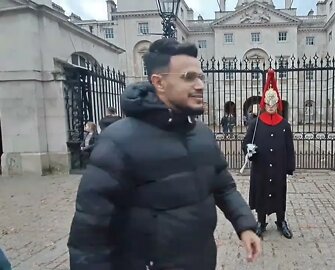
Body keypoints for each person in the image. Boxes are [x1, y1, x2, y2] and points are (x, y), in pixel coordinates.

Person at [67, 39, 261, 270]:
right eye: (189, 77)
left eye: (201, 77)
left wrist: (245, 225)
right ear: (159, 82)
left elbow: (223, 187)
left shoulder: (202, 134)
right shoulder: (118, 141)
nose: (199, 85)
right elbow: (89, 232)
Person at [242, 69, 295, 239]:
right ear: (264, 104)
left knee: (279, 193)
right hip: (261, 167)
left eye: (274, 105)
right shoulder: (255, 124)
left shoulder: (284, 125)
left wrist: (289, 167)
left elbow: (289, 147)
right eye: (268, 104)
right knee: (262, 193)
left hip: (278, 167)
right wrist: (248, 150)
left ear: (277, 105)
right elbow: (246, 142)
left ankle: (281, 221)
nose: (271, 108)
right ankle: (261, 221)